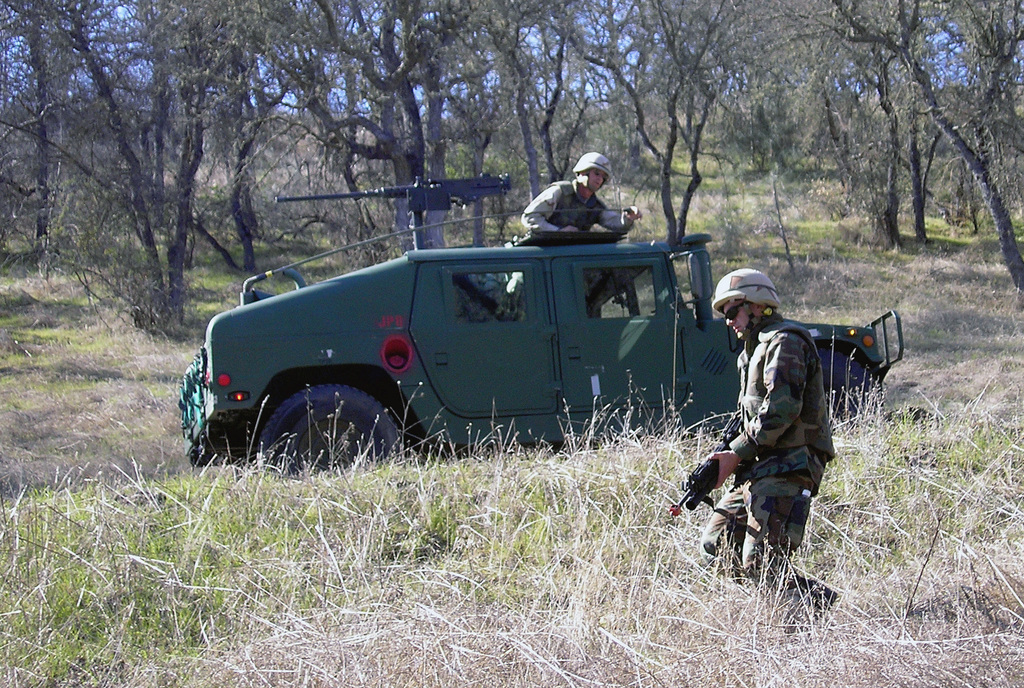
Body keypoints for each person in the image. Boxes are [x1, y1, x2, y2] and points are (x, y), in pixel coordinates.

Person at [699, 268, 838, 612]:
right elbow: (748, 415)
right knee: (717, 545)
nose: (729, 321)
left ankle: (808, 620)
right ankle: (810, 602)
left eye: (732, 311)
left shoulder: (785, 342)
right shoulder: (751, 353)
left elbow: (782, 408)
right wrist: (721, 458)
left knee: (760, 561)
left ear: (759, 305)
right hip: (760, 466)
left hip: (790, 463)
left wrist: (736, 453)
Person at [521, 152, 642, 234]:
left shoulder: (594, 205)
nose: (600, 179)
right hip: (545, 254)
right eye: (596, 173)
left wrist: (628, 218)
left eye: (603, 177)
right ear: (582, 173)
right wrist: (558, 231)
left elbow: (614, 222)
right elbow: (530, 217)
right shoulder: (559, 192)